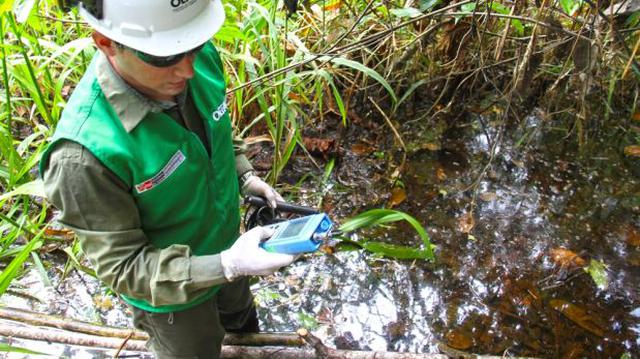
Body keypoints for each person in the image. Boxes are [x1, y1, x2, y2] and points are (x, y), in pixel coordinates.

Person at [40, 0, 296, 357]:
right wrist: (226, 265)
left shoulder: (195, 57)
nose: (187, 70)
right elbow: (124, 267)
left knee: (243, 326)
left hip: (230, 247)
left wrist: (244, 175)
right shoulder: (82, 157)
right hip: (173, 303)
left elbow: (217, 126)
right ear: (105, 42)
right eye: (163, 59)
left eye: (192, 47)